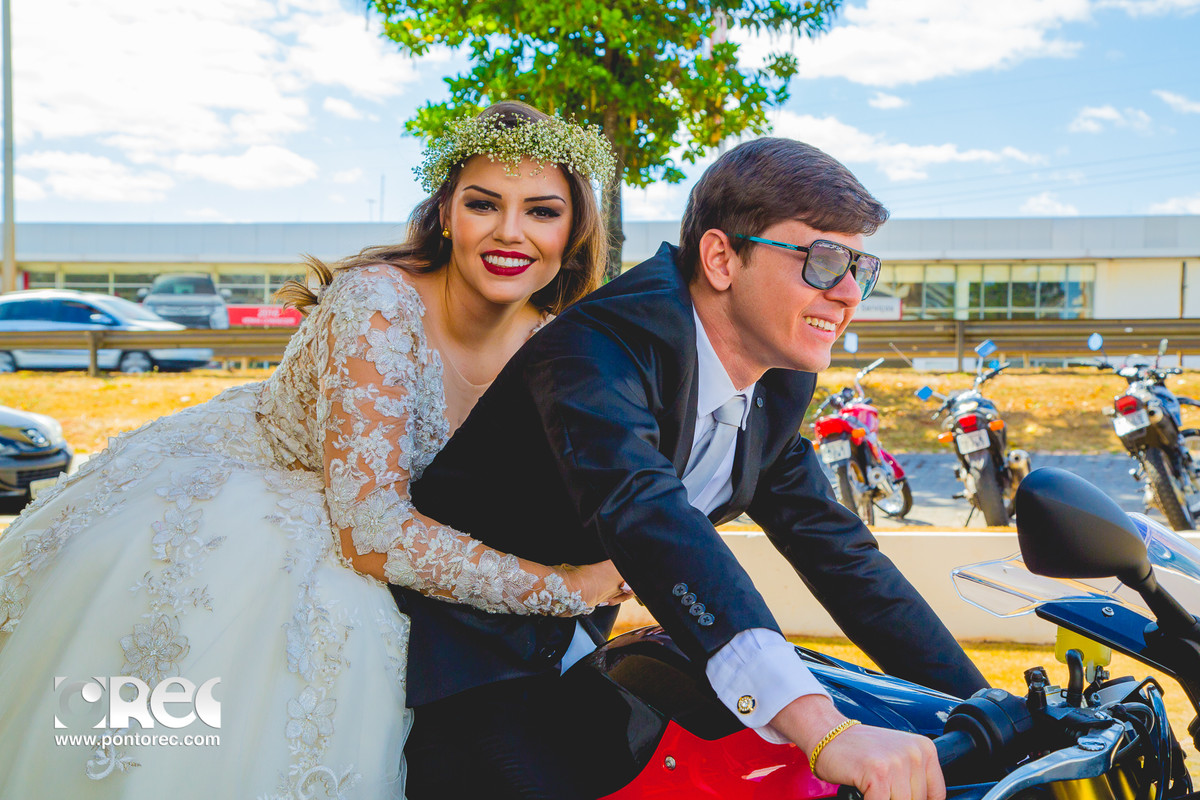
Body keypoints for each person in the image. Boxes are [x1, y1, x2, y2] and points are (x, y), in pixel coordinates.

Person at [0, 101, 629, 799]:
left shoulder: (557, 343)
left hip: (392, 529)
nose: (510, 232)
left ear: (574, 230)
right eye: (484, 204)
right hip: (263, 506)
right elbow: (369, 531)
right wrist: (563, 588)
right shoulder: (378, 305)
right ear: (447, 213)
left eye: (542, 211)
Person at [403, 136, 991, 800]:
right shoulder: (597, 348)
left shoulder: (778, 383)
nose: (850, 293)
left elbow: (843, 558)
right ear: (720, 257)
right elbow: (649, 514)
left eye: (860, 266)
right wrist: (821, 728)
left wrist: (992, 711)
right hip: (460, 667)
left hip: (573, 660)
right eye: (823, 260)